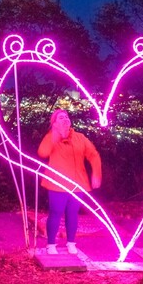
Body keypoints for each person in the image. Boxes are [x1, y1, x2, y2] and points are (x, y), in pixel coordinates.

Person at [37, 109, 101, 255]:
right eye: (60, 118)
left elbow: (93, 155)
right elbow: (43, 152)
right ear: (54, 123)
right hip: (57, 184)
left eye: (66, 116)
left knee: (72, 213)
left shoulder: (80, 137)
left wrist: (96, 173)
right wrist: (54, 134)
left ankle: (71, 243)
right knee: (55, 212)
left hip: (78, 184)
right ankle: (51, 244)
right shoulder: (51, 138)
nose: (65, 119)